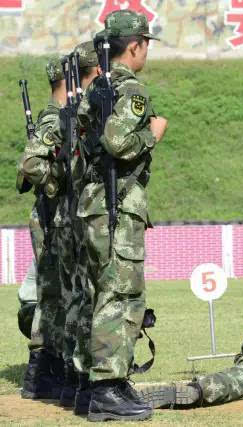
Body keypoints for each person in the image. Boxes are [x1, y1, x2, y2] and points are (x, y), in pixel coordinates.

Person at [76, 9, 167, 422]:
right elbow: (117, 142)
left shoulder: (96, 88)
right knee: (119, 293)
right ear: (136, 46)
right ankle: (106, 388)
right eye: (145, 45)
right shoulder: (131, 89)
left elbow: (82, 141)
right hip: (117, 204)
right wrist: (153, 133)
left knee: (102, 291)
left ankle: (103, 381)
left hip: (93, 203)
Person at [55, 40, 101, 412]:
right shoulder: (82, 110)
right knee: (88, 297)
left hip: (73, 213)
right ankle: (86, 381)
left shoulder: (76, 111)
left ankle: (76, 380)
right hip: (82, 215)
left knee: (78, 297)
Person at [18, 57, 68, 400]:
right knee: (53, 292)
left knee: (55, 291)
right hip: (51, 216)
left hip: (48, 214)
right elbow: (30, 169)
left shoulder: (50, 117)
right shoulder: (57, 118)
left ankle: (46, 370)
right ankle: (41, 372)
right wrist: (56, 187)